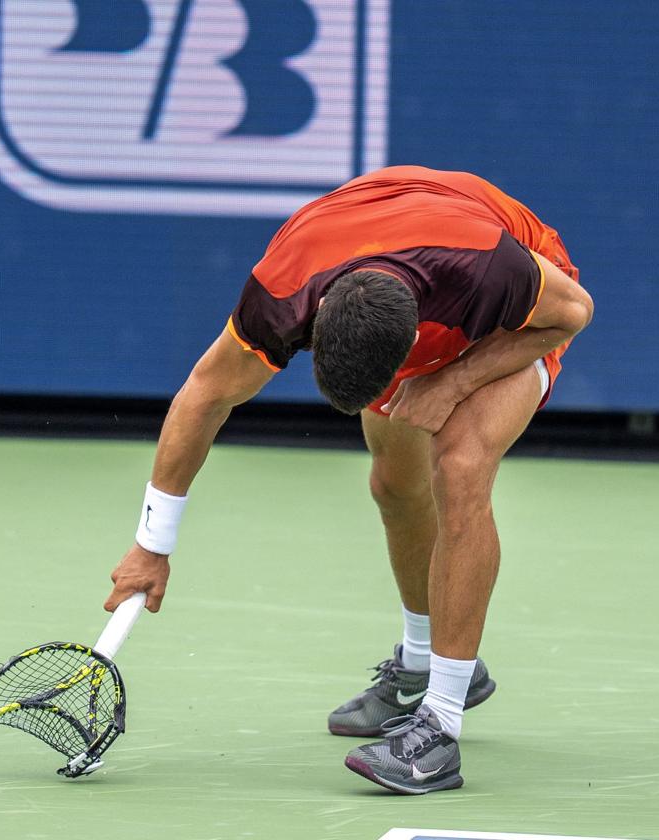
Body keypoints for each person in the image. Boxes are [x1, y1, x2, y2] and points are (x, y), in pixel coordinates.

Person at [103, 165, 594, 794]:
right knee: (394, 485)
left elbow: (573, 313)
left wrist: (452, 381)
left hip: (513, 310)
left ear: (414, 338)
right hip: (389, 260)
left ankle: (439, 731)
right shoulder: (284, 288)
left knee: (460, 466)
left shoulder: (490, 270)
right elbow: (205, 394)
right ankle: (425, 664)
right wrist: (152, 545)